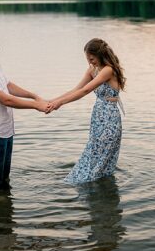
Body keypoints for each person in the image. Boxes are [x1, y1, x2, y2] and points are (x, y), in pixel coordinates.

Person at [0, 28, 49, 195]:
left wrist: (34, 96)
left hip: (6, 131)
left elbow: (8, 86)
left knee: (4, 180)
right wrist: (35, 106)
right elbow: (6, 99)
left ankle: (5, 214)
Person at [47, 38, 126, 184]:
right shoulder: (93, 70)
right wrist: (53, 101)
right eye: (88, 59)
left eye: (92, 58)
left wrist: (60, 103)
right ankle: (93, 186)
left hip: (109, 119)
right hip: (98, 117)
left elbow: (86, 90)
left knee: (102, 155)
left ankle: (96, 188)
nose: (90, 62)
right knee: (93, 151)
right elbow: (76, 89)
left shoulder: (108, 70)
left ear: (100, 55)